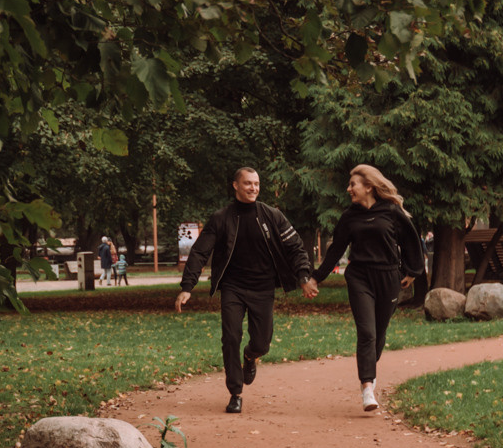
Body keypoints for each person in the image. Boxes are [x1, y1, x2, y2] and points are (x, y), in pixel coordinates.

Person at [175, 168, 318, 413]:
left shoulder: (272, 215)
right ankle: (235, 393)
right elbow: (199, 252)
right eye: (248, 183)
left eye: (256, 184)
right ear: (235, 185)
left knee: (261, 343)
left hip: (263, 288)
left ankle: (251, 357)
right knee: (231, 337)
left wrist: (304, 277)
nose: (253, 188)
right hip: (233, 288)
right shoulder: (221, 218)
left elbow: (295, 247)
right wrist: (187, 286)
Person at [318, 164, 425, 414]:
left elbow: (411, 241)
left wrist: (411, 271)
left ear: (368, 187)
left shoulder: (391, 212)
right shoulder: (349, 217)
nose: (349, 189)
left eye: (352, 184)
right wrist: (316, 278)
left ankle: (369, 370)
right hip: (359, 277)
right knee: (367, 332)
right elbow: (335, 250)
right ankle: (367, 387)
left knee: (379, 331)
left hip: (388, 277)